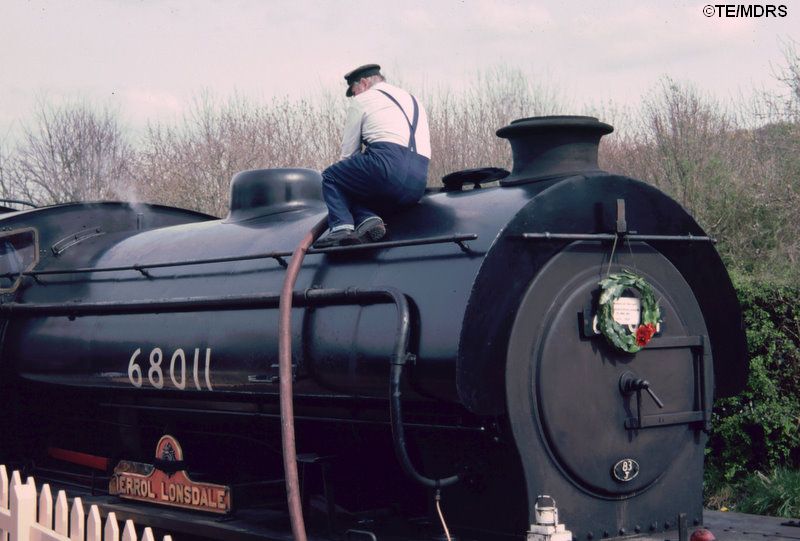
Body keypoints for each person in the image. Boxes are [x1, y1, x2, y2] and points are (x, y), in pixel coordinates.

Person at [314, 64, 431, 248]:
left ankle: (341, 228)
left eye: (354, 91)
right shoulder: (414, 99)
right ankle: (369, 219)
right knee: (359, 187)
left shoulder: (364, 99)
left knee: (333, 177)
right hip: (417, 183)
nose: (354, 96)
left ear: (363, 83)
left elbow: (348, 153)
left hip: (387, 166)